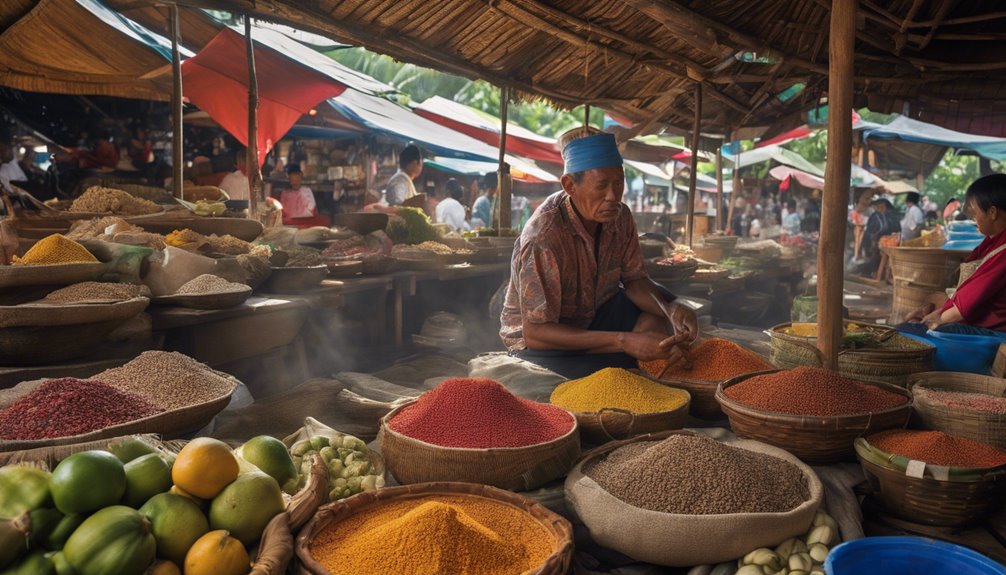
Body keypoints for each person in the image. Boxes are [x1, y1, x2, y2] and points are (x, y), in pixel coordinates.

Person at [499, 129, 698, 379]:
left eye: (618, 183)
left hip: (593, 316)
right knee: (611, 366)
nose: (613, 196)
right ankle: (615, 356)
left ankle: (619, 351)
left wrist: (671, 310)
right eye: (602, 185)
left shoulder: (621, 217)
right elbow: (536, 333)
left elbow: (635, 280)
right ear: (570, 185)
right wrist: (624, 341)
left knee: (661, 306)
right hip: (543, 342)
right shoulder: (544, 236)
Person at [901, 175, 1006, 335]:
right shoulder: (992, 242)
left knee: (909, 332)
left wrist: (935, 321)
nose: (973, 218)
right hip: (978, 322)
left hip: (995, 333)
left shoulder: (1003, 251)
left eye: (975, 212)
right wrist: (937, 312)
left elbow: (968, 303)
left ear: (992, 212)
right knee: (910, 328)